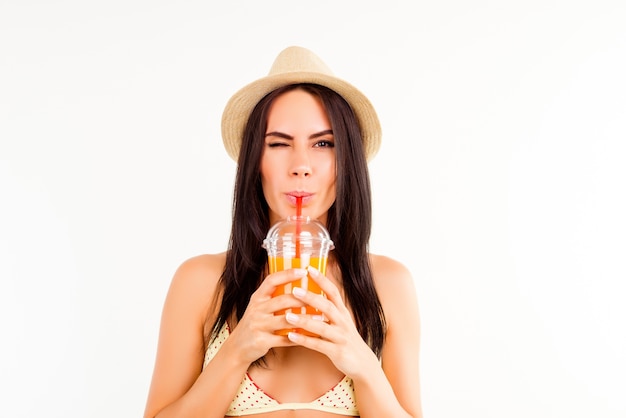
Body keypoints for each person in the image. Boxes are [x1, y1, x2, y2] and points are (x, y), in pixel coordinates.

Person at [143, 46, 423, 418]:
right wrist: (237, 349)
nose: (301, 166)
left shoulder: (388, 284)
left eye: (323, 144)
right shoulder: (200, 282)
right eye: (278, 143)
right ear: (254, 160)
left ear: (347, 160)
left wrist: (363, 364)